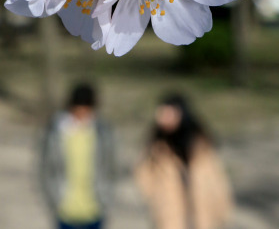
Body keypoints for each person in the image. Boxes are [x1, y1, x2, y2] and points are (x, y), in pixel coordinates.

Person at [135, 94, 232, 229]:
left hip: (202, 212)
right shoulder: (156, 146)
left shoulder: (201, 144)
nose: (163, 119)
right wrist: (158, 201)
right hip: (170, 215)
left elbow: (218, 180)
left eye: (169, 114)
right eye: (161, 114)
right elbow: (143, 175)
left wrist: (222, 210)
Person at [41, 83, 115, 229]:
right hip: (64, 209)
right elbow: (44, 168)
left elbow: (111, 167)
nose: (81, 115)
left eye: (86, 110)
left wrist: (106, 197)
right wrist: (53, 197)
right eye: (78, 110)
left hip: (95, 208)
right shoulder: (56, 132)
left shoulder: (103, 132)